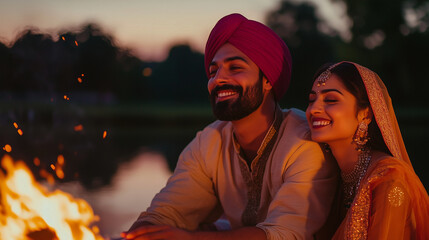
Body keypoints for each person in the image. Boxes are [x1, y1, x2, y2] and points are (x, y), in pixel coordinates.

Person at [121, 13, 338, 240]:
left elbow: (286, 234)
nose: (218, 79)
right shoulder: (209, 141)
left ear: (267, 80)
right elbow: (167, 213)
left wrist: (191, 239)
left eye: (235, 68)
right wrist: (142, 231)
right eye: (213, 71)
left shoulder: (304, 142)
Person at [306, 61, 429, 239]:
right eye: (311, 100)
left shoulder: (389, 179)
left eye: (331, 100)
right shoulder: (330, 174)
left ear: (366, 113)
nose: (314, 109)